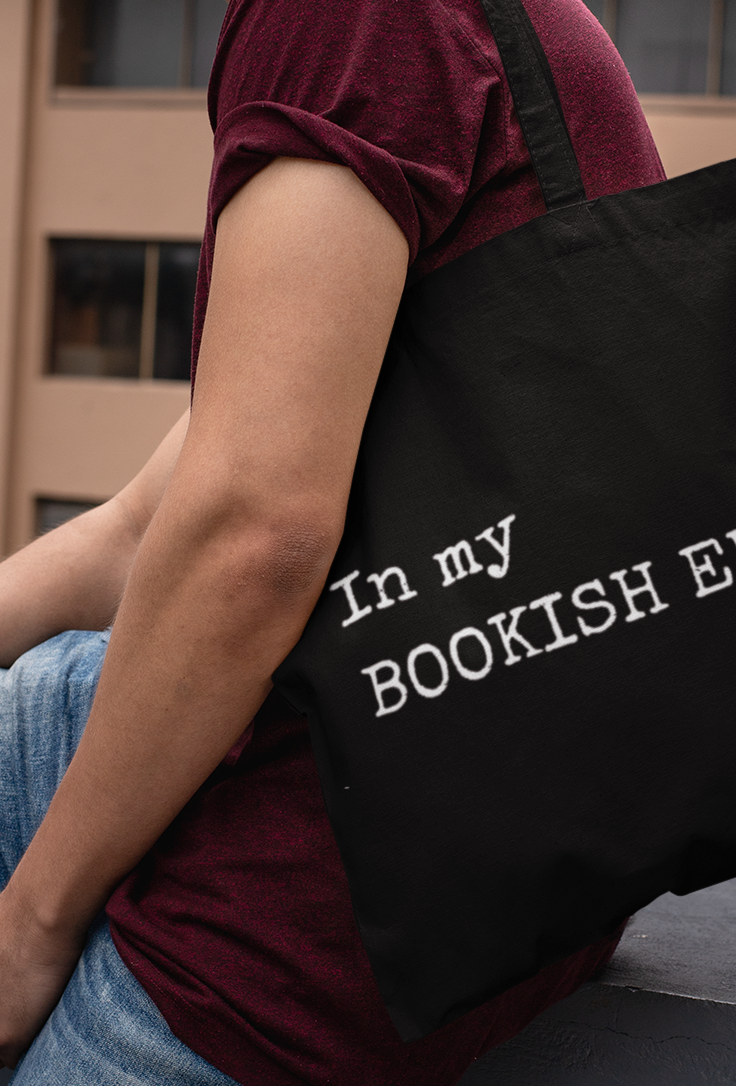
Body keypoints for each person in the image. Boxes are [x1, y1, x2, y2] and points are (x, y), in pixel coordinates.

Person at [0, 0, 665, 1082]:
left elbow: (253, 538)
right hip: (510, 843)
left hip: (304, 911)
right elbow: (151, 527)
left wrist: (30, 926)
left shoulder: (348, 14)